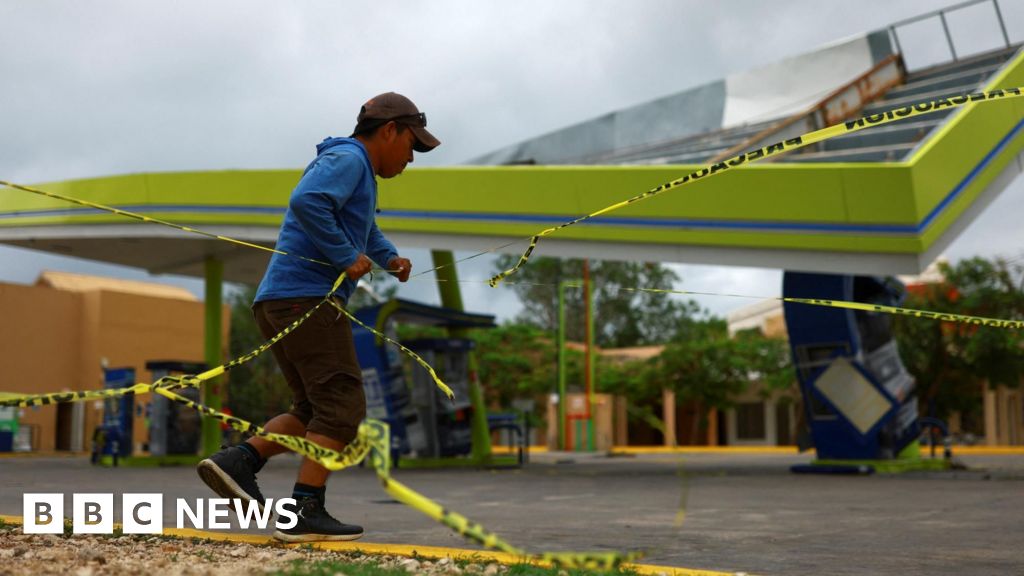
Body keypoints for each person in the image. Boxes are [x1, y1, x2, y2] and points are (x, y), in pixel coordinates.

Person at [197, 92, 440, 542]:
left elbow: (364, 230)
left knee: (312, 410)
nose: (411, 158)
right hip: (305, 300)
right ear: (389, 131)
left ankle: (240, 460)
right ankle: (304, 509)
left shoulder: (357, 171)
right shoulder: (349, 158)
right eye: (411, 145)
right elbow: (307, 201)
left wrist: (388, 259)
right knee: (343, 405)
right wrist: (347, 257)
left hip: (281, 301)